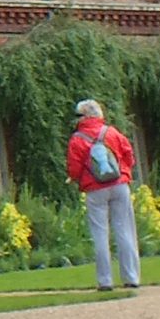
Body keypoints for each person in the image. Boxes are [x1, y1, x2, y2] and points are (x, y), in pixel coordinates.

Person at [66, 99, 142, 292]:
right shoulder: (112, 132)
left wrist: (77, 179)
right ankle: (131, 277)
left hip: (95, 189)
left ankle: (105, 281)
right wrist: (124, 172)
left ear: (83, 117)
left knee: (100, 234)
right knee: (125, 231)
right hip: (119, 184)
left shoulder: (77, 139)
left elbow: (74, 168)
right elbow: (129, 156)